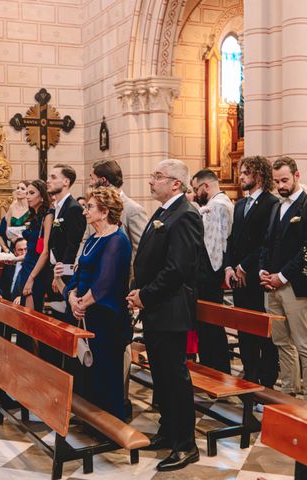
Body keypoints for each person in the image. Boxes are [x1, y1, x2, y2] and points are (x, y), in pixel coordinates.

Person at [127, 159, 202, 471]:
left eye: (157, 176)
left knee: (175, 377)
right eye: (153, 175)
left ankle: (186, 444)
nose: (151, 181)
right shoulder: (162, 212)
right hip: (157, 308)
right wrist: (137, 289)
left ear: (176, 183)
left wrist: (145, 294)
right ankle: (169, 431)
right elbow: (149, 258)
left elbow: (177, 268)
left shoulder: (185, 215)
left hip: (170, 308)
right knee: (161, 376)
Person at [259, 157, 307, 403]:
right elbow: (267, 242)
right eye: (277, 181)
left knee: (304, 343)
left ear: (297, 176)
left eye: (285, 180)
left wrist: (283, 276)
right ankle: (288, 392)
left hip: (296, 286)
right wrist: (263, 272)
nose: (280, 185)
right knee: (281, 341)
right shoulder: (277, 206)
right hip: (272, 285)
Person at [65, 187, 132, 420]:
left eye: (89, 207)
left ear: (104, 212)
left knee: (106, 371)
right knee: (87, 370)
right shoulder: (93, 238)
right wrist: (72, 296)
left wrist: (82, 303)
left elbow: (105, 282)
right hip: (85, 313)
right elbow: (79, 273)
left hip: (106, 317)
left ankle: (110, 422)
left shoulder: (117, 240)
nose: (85, 212)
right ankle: (90, 418)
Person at [224, 156, 280, 389]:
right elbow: (233, 239)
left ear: (259, 174)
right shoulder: (240, 204)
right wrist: (229, 266)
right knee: (244, 329)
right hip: (239, 279)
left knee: (263, 332)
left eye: (246, 172)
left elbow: (266, 241)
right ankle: (249, 374)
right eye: (241, 172)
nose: (242, 176)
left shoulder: (271, 203)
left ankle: (266, 380)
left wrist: (245, 266)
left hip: (257, 276)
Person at [191, 168, 234, 374]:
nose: (195, 193)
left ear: (205, 186)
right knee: (207, 328)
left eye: (195, 189)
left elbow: (214, 244)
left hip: (208, 273)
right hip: (209, 273)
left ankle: (216, 371)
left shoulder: (217, 206)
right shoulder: (219, 203)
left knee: (210, 329)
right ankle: (212, 369)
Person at [47, 164, 86, 316]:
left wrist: (60, 277)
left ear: (66, 182)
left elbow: (73, 245)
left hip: (65, 275)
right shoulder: (57, 207)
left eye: (53, 177)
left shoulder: (73, 208)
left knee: (64, 320)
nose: (48, 180)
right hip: (54, 270)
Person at [13, 180, 53, 312]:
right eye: (27, 193)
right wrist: (17, 259)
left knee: (32, 312)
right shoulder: (34, 216)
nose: (27, 196)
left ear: (42, 196)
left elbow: (45, 251)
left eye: (31, 193)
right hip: (27, 264)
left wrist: (31, 278)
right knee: (24, 309)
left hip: (37, 269)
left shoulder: (48, 216)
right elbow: (32, 248)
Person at [0, 181, 30, 253]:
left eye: (22, 189)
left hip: (27, 244)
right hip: (14, 243)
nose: (19, 190)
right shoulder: (12, 207)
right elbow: (7, 229)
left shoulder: (31, 207)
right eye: (17, 188)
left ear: (27, 192)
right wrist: (12, 239)